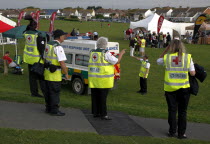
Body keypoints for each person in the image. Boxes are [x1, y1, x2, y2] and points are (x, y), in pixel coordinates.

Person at [157, 38, 196, 139]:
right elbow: (192, 73)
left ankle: (172, 131)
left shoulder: (167, 57)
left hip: (170, 89)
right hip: (184, 89)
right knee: (183, 112)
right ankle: (181, 133)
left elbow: (158, 60)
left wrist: (165, 50)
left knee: (172, 110)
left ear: (171, 47)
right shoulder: (187, 58)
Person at [88, 37, 126, 120]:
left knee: (95, 97)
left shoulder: (92, 52)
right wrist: (121, 54)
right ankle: (103, 114)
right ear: (105, 44)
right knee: (103, 98)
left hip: (94, 79)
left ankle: (95, 112)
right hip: (103, 81)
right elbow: (117, 61)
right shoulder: (105, 53)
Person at [43, 29, 69, 116]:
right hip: (55, 75)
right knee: (55, 92)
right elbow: (62, 62)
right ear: (59, 37)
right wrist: (66, 73)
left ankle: (48, 108)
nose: (64, 36)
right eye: (63, 35)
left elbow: (44, 57)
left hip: (47, 73)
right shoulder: (58, 47)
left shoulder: (48, 44)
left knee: (48, 92)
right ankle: (54, 110)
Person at [23, 15, 47, 98]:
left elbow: (27, 30)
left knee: (32, 77)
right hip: (37, 60)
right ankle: (45, 94)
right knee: (41, 78)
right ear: (36, 26)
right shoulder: (38, 35)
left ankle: (34, 93)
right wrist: (44, 58)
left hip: (29, 58)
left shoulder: (26, 33)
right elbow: (42, 49)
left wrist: (31, 21)